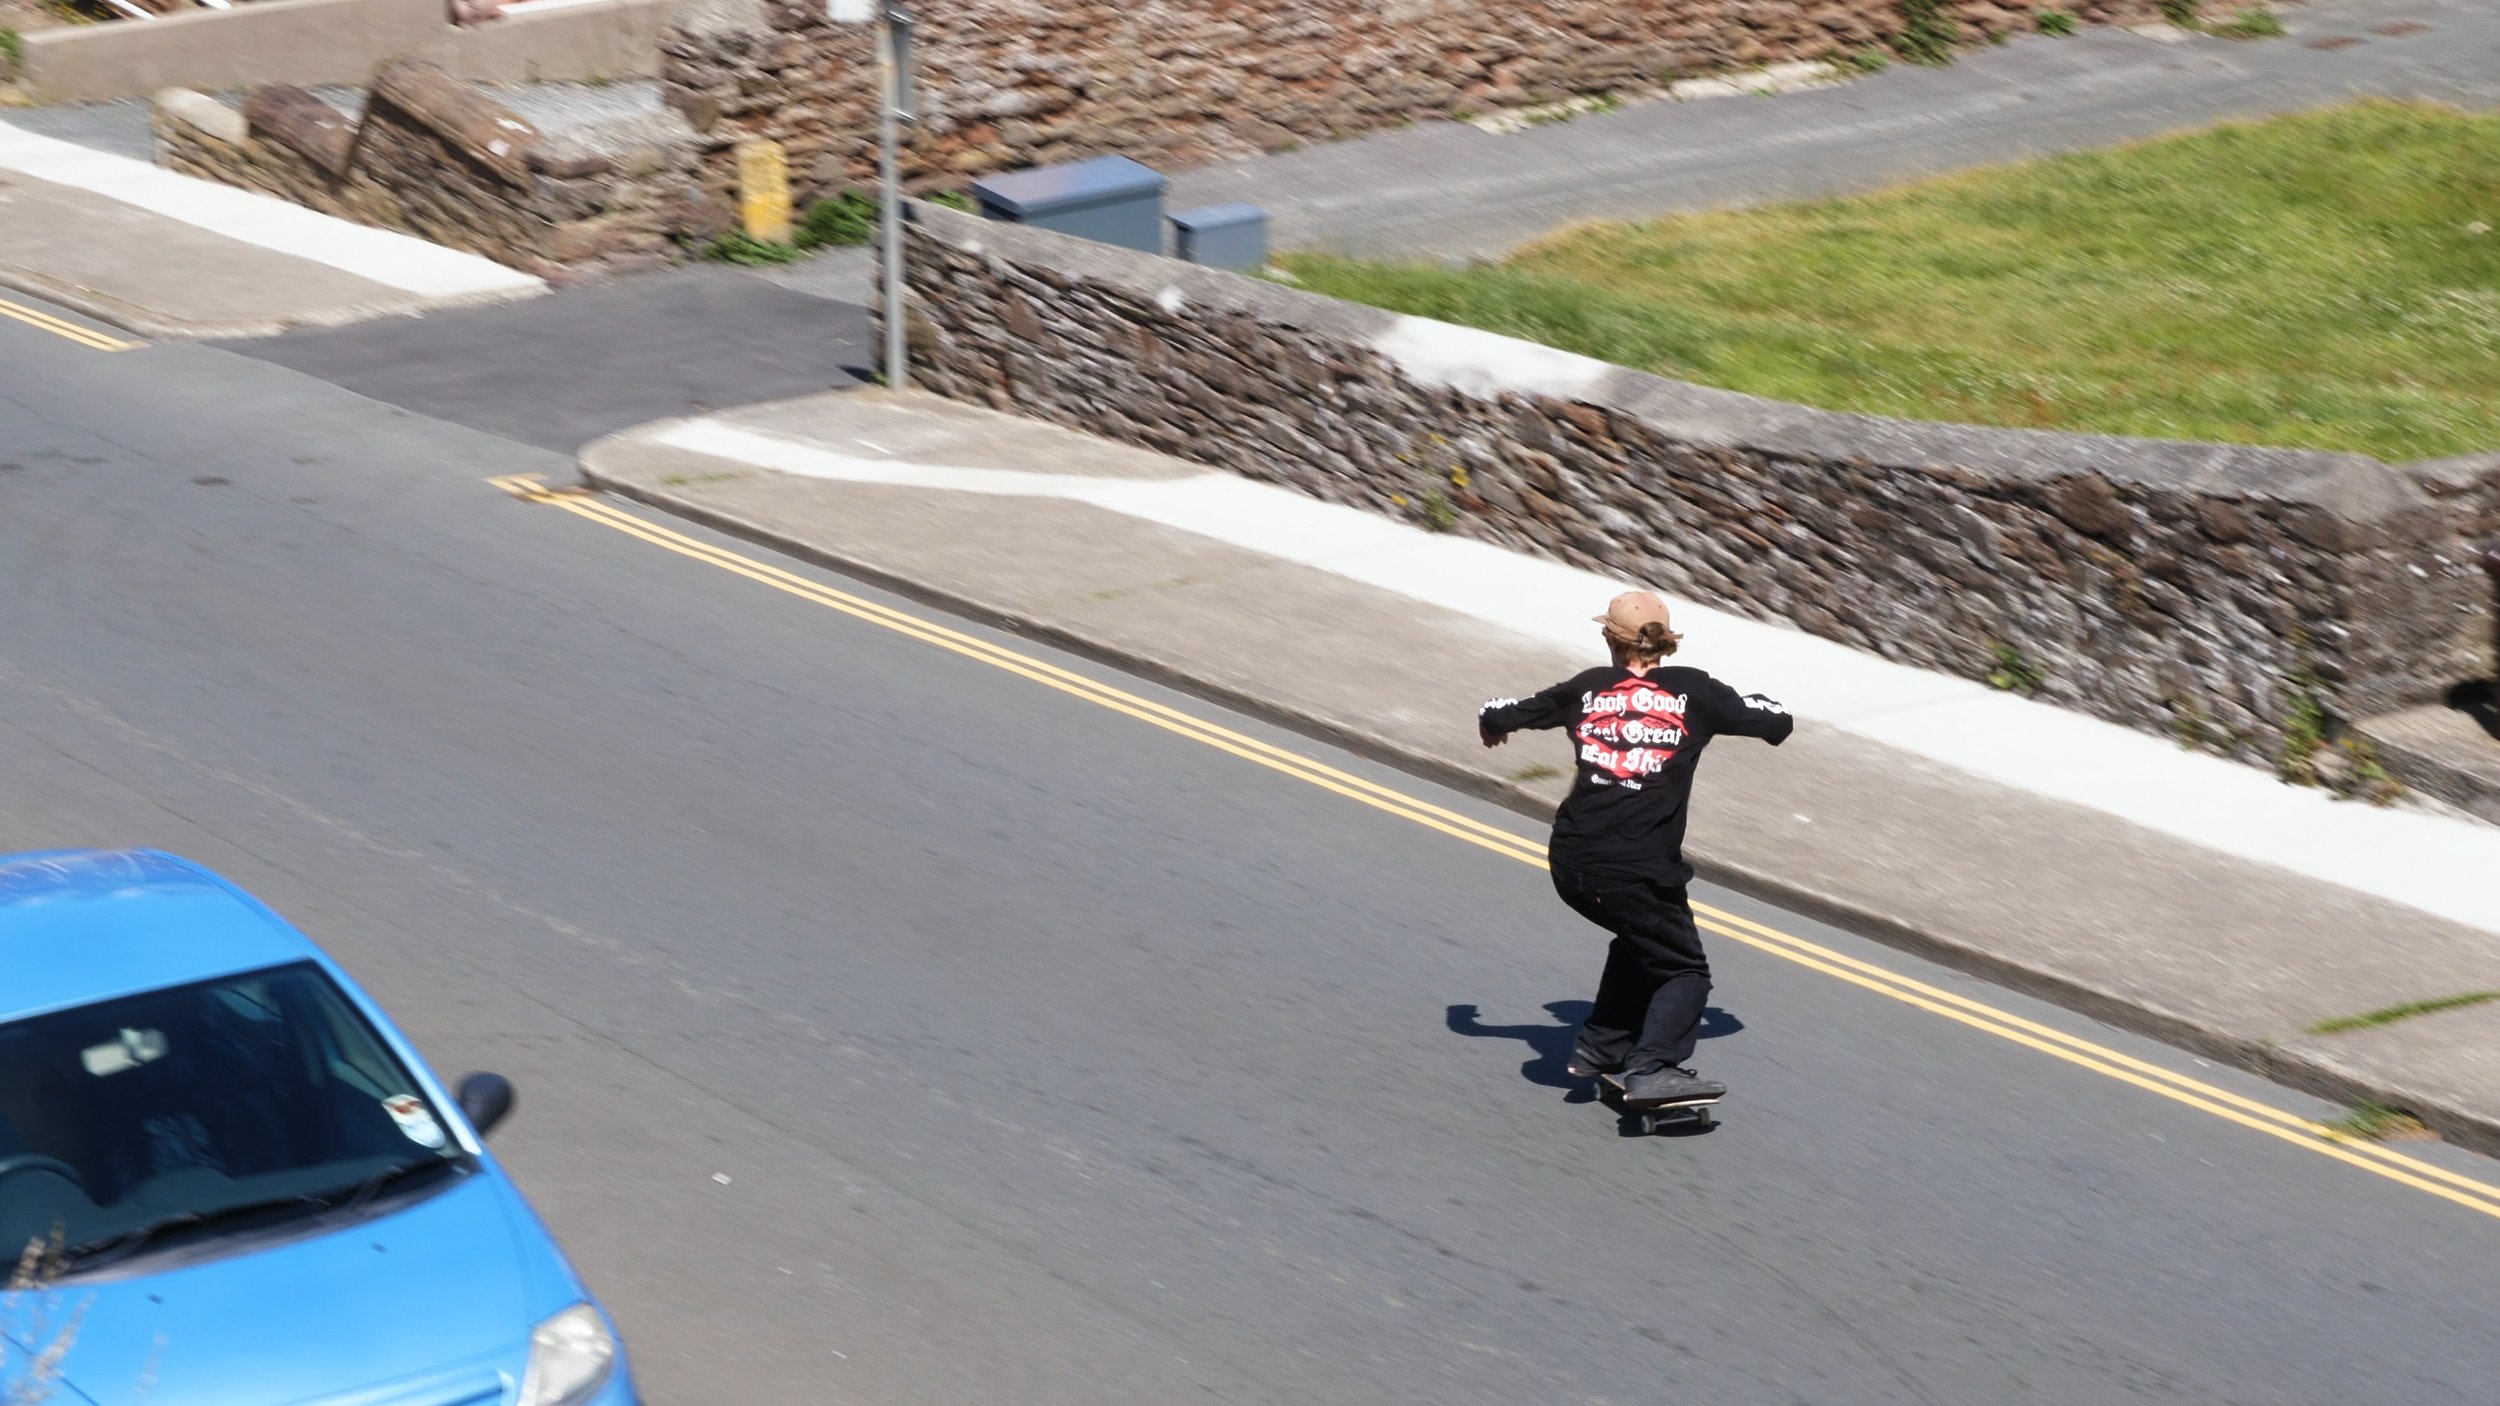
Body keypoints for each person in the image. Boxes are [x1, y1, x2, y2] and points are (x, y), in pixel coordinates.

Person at [1478, 590, 1792, 1109]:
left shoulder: (1586, 688)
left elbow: (1505, 711)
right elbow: (1776, 720)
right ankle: (1653, 1067)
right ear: (1666, 644)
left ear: (1609, 639)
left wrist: (1490, 724)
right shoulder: (1696, 691)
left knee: (1638, 940)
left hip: (1572, 864)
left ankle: (1600, 1048)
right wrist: (1752, 703)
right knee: (1684, 970)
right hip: (1636, 872)